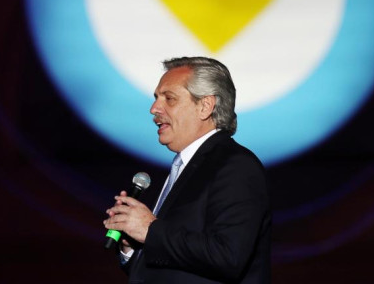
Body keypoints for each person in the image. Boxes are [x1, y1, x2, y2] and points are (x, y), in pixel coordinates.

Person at [103, 56, 272, 283]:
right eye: (156, 98)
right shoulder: (184, 168)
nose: (154, 108)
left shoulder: (236, 166)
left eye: (169, 99)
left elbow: (228, 256)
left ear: (205, 106)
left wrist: (150, 231)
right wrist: (131, 245)